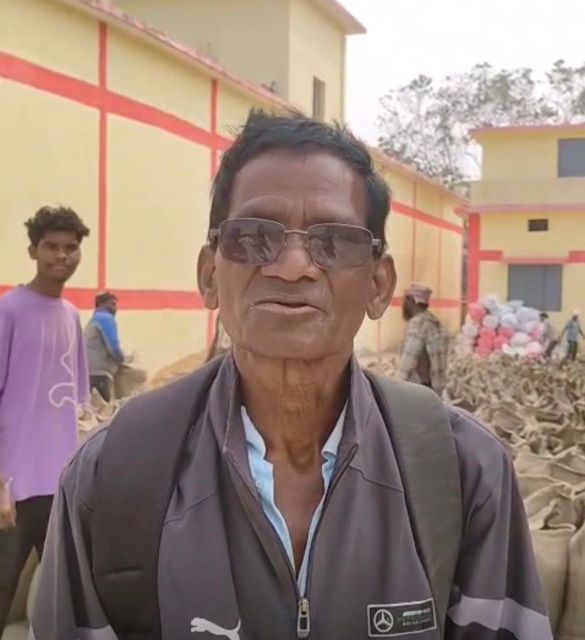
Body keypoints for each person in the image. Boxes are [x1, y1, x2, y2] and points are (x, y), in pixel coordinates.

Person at [31, 112, 551, 640]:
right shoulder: (111, 474)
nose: (293, 265)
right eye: (255, 236)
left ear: (378, 285)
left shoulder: (464, 472)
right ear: (210, 276)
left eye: (334, 241)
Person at [0, 205, 90, 632]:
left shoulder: (71, 316)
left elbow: (77, 405)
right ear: (33, 251)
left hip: (58, 487)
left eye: (70, 248)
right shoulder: (9, 311)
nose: (61, 255)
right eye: (51, 246)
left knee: (65, 599)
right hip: (12, 490)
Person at [396, 284, 449, 395]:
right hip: (435, 388)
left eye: (405, 300)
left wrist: (395, 389)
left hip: (418, 389)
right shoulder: (435, 322)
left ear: (412, 301)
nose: (403, 304)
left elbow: (408, 362)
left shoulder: (418, 324)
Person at [85, 292, 125, 402]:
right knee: (103, 409)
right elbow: (114, 347)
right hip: (100, 374)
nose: (115, 309)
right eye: (111, 304)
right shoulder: (105, 318)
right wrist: (122, 360)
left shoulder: (93, 320)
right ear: (101, 304)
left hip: (89, 374)